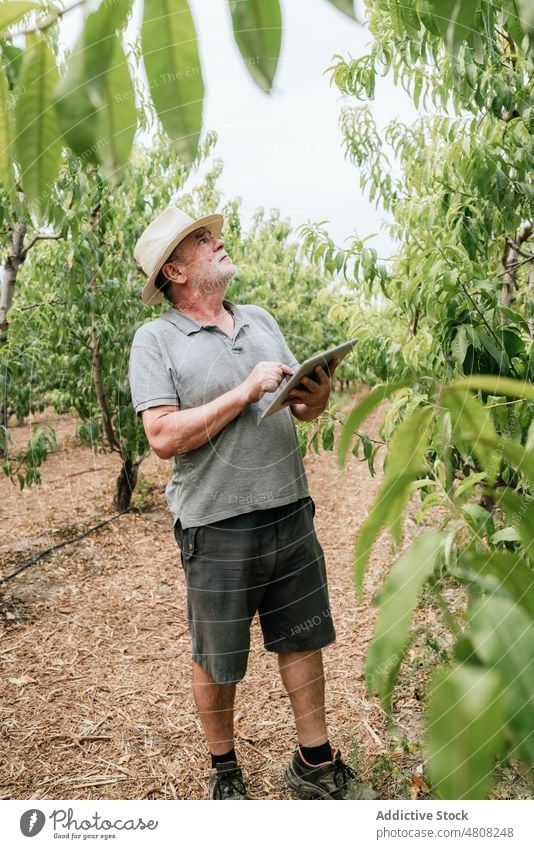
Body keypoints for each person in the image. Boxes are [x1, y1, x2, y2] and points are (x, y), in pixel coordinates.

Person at [128, 206, 359, 800]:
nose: (218, 241)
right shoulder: (155, 340)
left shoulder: (259, 319)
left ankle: (314, 760)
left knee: (302, 636)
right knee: (218, 655)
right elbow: (161, 437)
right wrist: (245, 389)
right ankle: (224, 769)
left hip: (289, 506)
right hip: (217, 522)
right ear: (176, 271)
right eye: (203, 241)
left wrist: (317, 394)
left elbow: (299, 409)